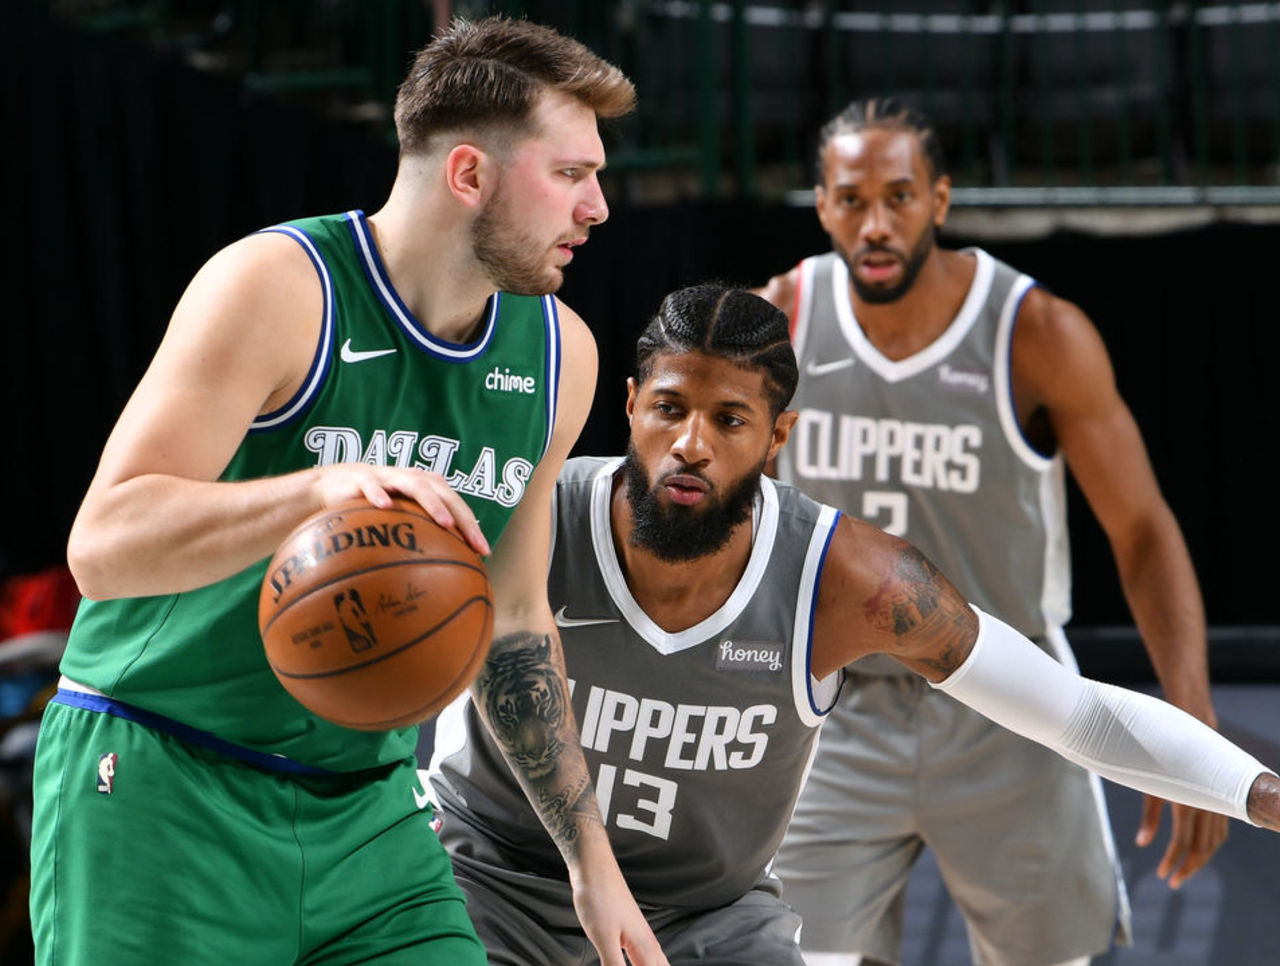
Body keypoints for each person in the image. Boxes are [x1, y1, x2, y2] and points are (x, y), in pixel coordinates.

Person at [29, 17, 667, 966]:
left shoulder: (558, 354)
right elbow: (104, 547)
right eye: (572, 175)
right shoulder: (278, 287)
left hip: (370, 822)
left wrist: (592, 865)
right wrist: (311, 492)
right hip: (165, 783)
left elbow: (518, 621)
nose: (600, 207)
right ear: (468, 174)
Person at [425, 283, 1280, 966]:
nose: (690, 443)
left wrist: (1260, 793)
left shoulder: (852, 580)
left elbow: (1077, 714)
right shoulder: (534, 512)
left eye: (729, 420)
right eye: (669, 408)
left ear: (778, 438)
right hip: (492, 879)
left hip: (703, 919)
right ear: (629, 406)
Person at [754, 97, 1223, 966]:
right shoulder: (776, 323)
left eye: (899, 197)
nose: (876, 223)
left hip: (1010, 705)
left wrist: (1188, 712)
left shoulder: (1035, 332)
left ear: (939, 199)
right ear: (821, 206)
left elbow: (1144, 531)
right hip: (835, 711)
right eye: (851, 200)